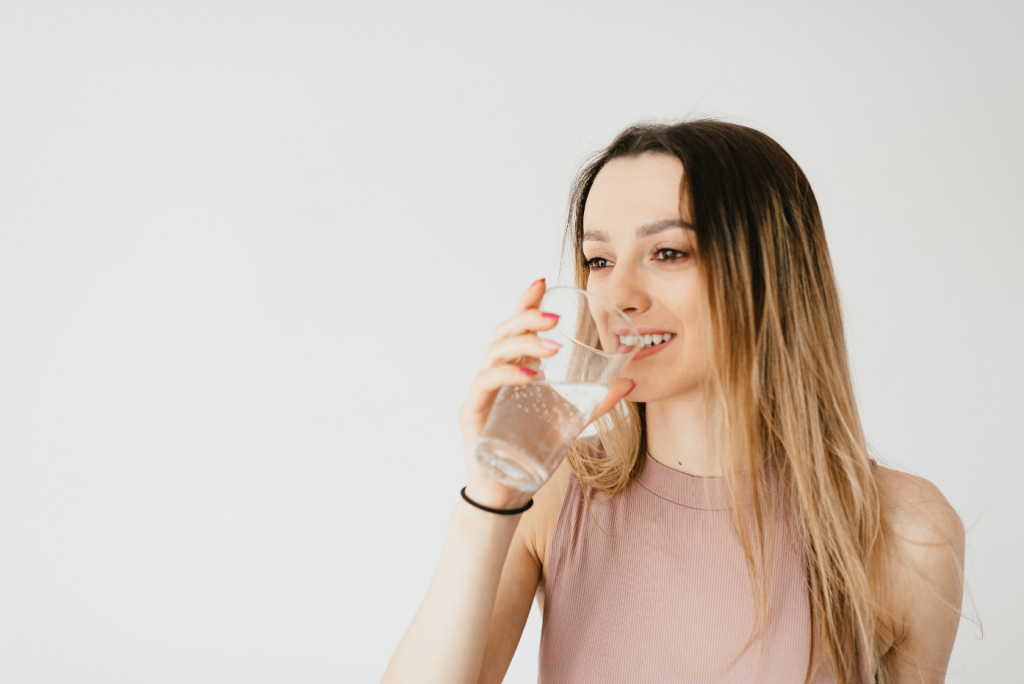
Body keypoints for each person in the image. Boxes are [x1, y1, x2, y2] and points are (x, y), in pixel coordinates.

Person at [380, 120, 966, 683]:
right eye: (599, 261)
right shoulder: (554, 492)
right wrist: (488, 499)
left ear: (772, 270)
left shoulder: (906, 532)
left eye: (667, 253)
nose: (619, 295)